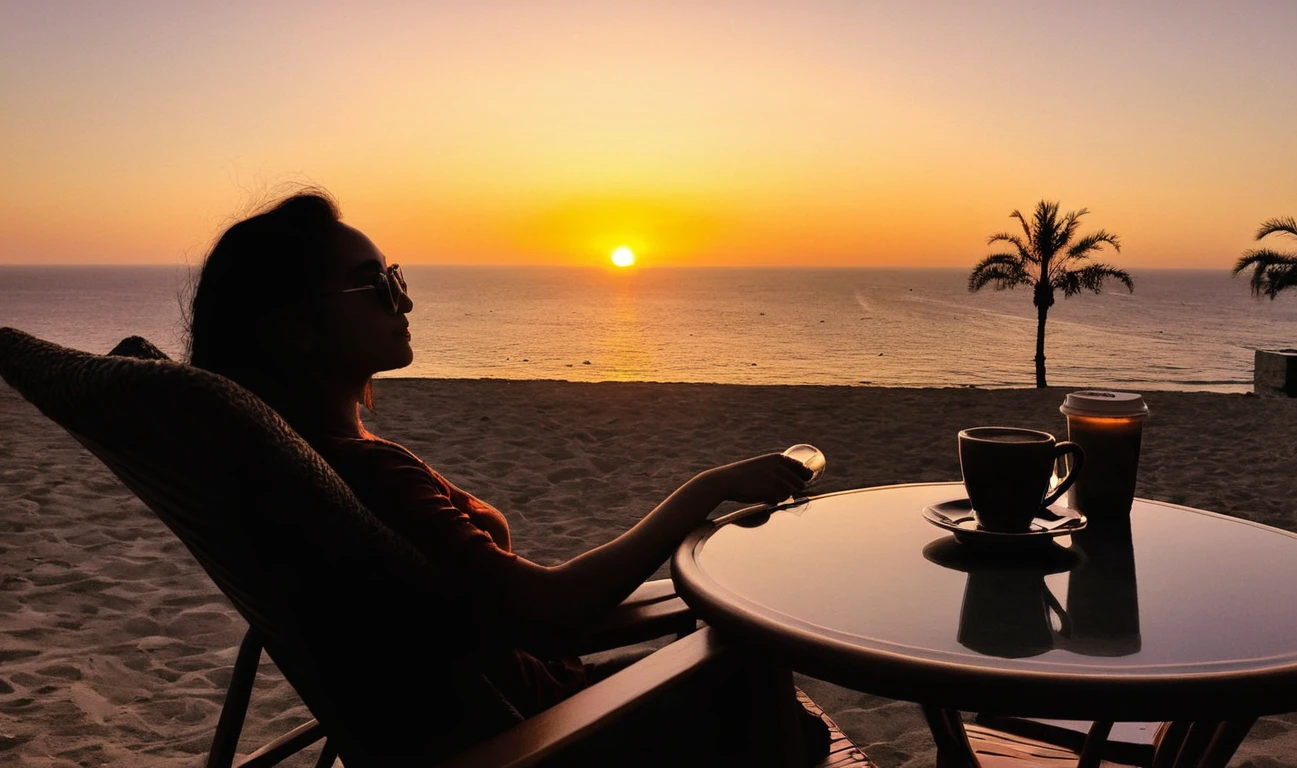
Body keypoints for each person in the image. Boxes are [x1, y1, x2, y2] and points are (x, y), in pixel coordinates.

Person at [187, 190, 826, 760]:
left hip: (517, 711)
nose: (404, 301)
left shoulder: (307, 469)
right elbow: (549, 611)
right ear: (296, 329)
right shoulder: (368, 476)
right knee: (764, 675)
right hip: (547, 737)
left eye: (396, 278)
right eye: (376, 287)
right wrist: (706, 490)